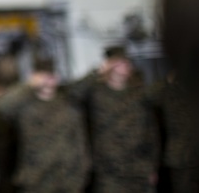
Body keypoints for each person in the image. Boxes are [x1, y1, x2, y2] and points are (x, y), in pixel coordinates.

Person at [66, 45, 159, 193]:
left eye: (126, 63)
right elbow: (72, 94)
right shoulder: (96, 92)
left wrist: (153, 166)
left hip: (139, 166)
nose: (123, 67)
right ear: (109, 66)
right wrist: (97, 71)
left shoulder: (139, 93)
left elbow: (151, 130)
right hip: (109, 169)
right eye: (118, 63)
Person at [0, 56, 91, 193]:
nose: (47, 79)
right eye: (42, 75)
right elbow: (2, 107)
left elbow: (79, 140)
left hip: (67, 178)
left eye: (50, 75)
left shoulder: (68, 103)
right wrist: (28, 86)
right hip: (36, 178)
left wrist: (82, 171)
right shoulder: (24, 104)